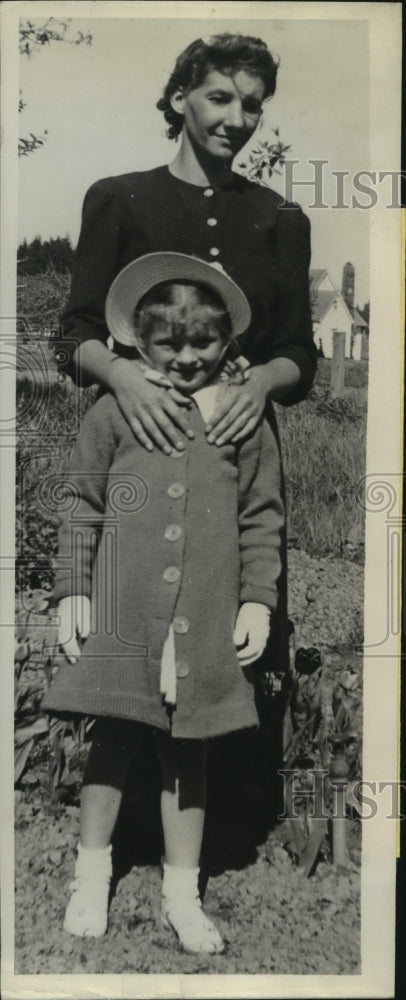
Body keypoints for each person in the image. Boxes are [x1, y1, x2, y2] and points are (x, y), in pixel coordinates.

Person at [54, 31, 317, 681]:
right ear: (180, 98)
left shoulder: (280, 216)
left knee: (235, 674)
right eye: (219, 98)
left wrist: (258, 385)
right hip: (138, 457)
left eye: (252, 106)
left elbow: (298, 353)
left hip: (237, 464)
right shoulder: (118, 199)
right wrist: (121, 375)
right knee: (130, 675)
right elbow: (73, 335)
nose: (238, 119)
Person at [44, 252, 285, 954]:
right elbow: (81, 503)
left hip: (203, 617)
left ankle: (183, 893)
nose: (186, 358)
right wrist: (72, 591)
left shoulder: (243, 419)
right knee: (112, 740)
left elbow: (262, 517)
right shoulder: (116, 409)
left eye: (202, 343)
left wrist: (256, 602)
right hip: (125, 614)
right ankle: (92, 877)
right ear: (139, 342)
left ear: (227, 341)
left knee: (190, 753)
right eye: (168, 344)